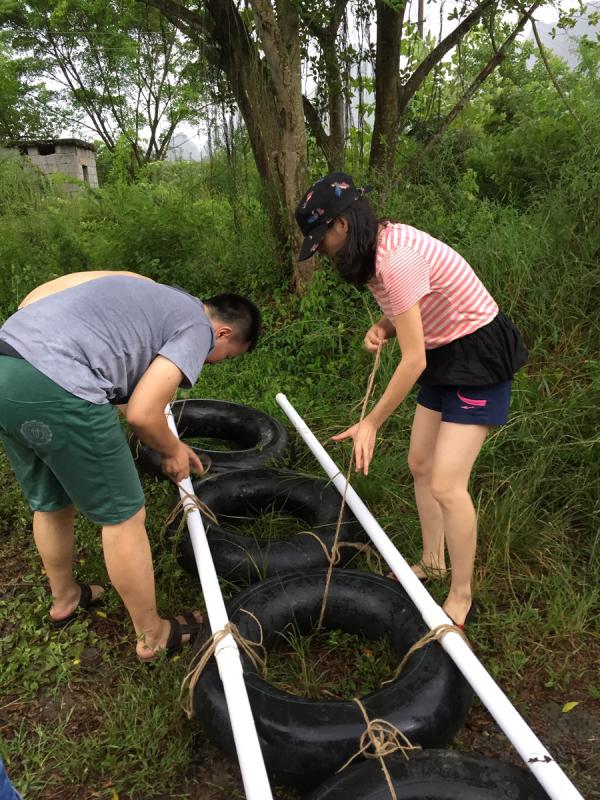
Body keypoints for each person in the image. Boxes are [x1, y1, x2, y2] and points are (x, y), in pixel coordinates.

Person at [295, 173, 527, 628]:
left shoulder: (395, 257)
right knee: (420, 463)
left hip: (476, 354)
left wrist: (372, 422)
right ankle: (432, 561)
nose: (322, 252)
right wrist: (385, 325)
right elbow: (412, 306)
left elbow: (413, 360)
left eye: (322, 241)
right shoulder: (378, 247)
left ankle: (461, 594)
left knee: (446, 483)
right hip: (444, 349)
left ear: (341, 225)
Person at [0, 271, 261, 661]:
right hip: (60, 381)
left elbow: (122, 373)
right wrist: (172, 450)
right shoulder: (197, 329)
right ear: (223, 334)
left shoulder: (165, 296)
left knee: (51, 500)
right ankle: (153, 635)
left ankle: (66, 597)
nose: (216, 362)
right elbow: (141, 414)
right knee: (124, 516)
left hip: (8, 363)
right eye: (228, 357)